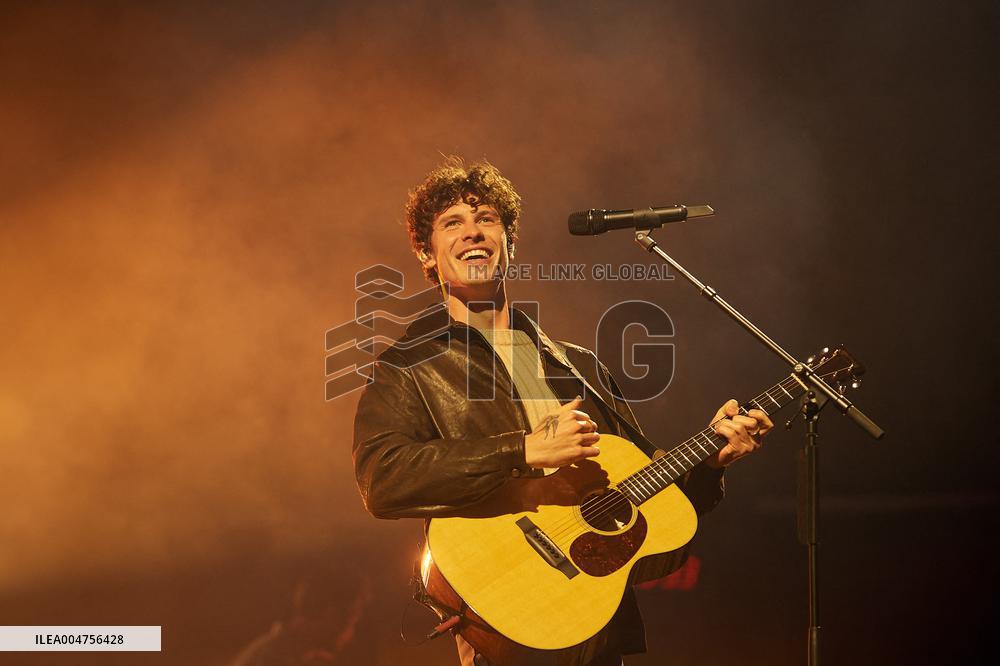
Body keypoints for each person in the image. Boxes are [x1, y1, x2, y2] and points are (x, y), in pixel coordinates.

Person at [352, 159, 773, 665]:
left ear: (509, 241)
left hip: (595, 625)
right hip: (504, 622)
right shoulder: (408, 366)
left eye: (486, 219)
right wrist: (522, 450)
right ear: (426, 251)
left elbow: (646, 499)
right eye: (452, 223)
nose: (472, 232)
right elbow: (382, 480)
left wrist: (709, 462)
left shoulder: (578, 365)